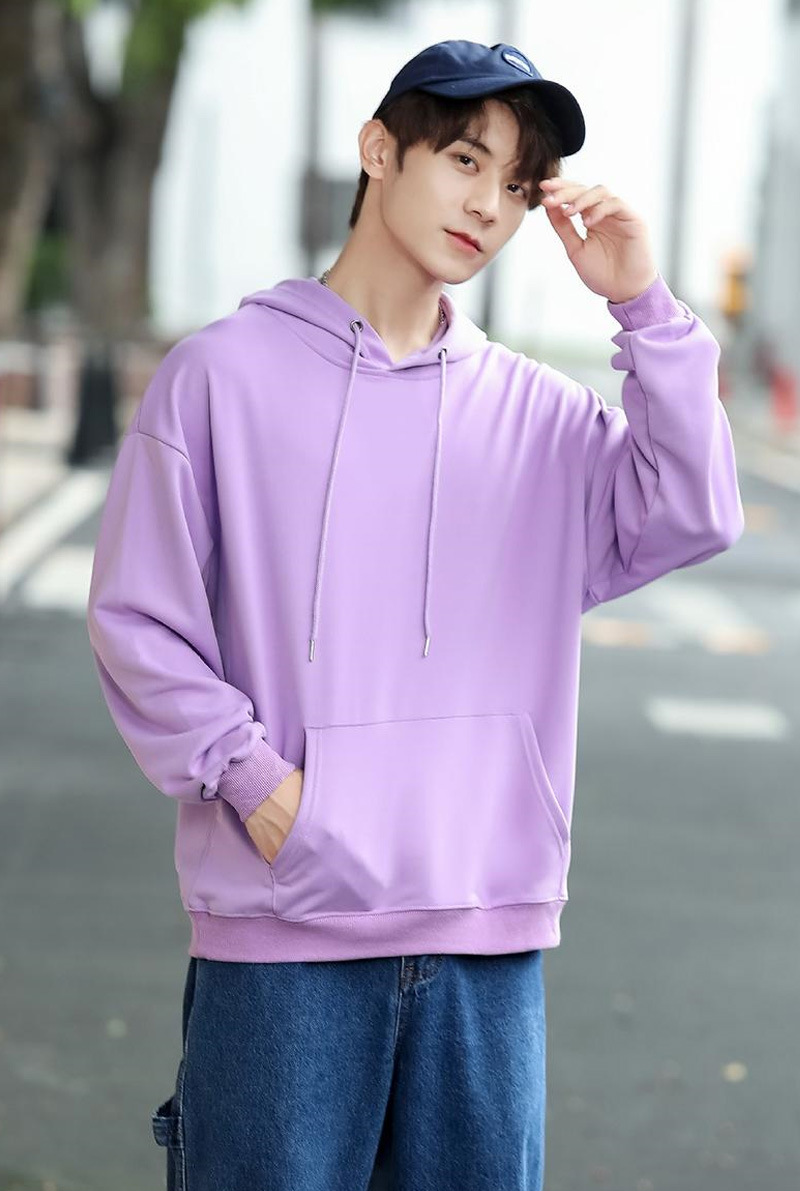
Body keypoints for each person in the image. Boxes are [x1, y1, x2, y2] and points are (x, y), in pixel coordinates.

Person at [86, 37, 745, 1191]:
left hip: (485, 947)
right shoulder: (219, 378)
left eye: (517, 183)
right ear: (379, 150)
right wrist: (263, 791)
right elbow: (140, 623)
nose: (487, 205)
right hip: (282, 944)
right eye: (463, 160)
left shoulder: (540, 418)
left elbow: (692, 509)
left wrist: (641, 305)